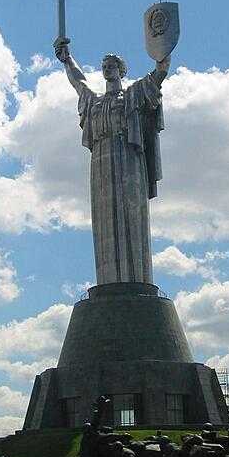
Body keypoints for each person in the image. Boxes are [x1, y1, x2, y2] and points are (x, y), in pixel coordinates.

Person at [54, 36, 170, 285]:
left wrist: (163, 55)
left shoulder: (132, 95)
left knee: (130, 214)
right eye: (104, 66)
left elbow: (157, 77)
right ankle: (109, 282)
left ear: (121, 70)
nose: (107, 69)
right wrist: (67, 59)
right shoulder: (94, 101)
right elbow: (78, 81)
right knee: (105, 220)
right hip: (101, 163)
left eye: (112, 66)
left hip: (128, 157)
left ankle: (135, 279)